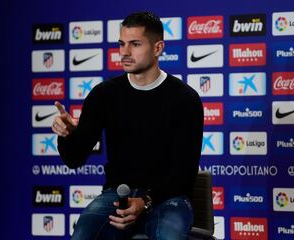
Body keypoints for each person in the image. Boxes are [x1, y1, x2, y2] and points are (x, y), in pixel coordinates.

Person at [52, 11, 204, 240]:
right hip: (116, 196)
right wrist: (66, 135)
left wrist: (145, 202)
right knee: (83, 234)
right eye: (121, 44)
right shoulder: (104, 94)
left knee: (169, 236)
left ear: (158, 48)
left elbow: (184, 174)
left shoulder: (185, 99)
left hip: (168, 199)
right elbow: (74, 158)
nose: (124, 52)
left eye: (135, 44)